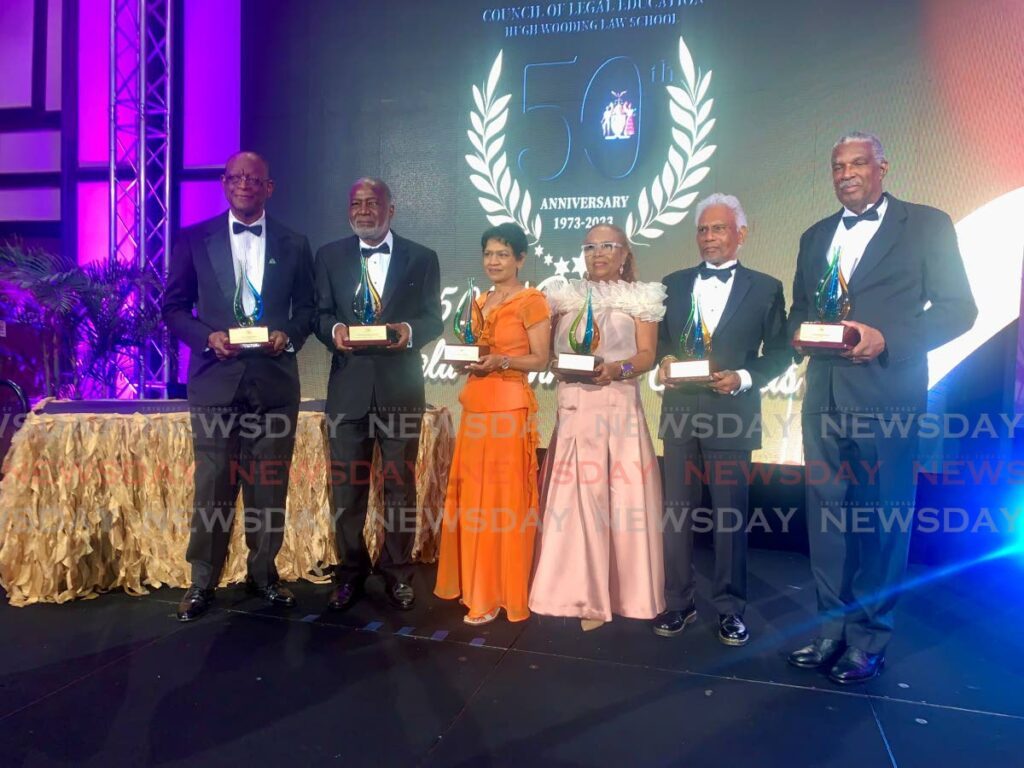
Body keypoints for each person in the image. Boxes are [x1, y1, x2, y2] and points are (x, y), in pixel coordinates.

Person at [787, 132, 977, 683]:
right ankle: (831, 630)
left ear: (882, 167)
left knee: (883, 519)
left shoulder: (927, 224)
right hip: (823, 396)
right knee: (826, 520)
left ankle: (870, 638)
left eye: (857, 163)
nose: (845, 173)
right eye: (837, 165)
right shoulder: (814, 234)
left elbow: (959, 309)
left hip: (886, 394)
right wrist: (799, 335)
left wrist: (886, 336)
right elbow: (802, 307)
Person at [163, 150, 315, 622]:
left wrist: (288, 334)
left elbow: (308, 310)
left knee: (269, 487)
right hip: (215, 382)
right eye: (235, 178)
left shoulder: (294, 242)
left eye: (254, 179)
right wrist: (205, 338)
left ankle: (265, 576)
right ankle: (201, 581)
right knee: (212, 488)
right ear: (225, 185)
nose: (244, 184)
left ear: (269, 188)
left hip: (272, 383)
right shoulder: (193, 238)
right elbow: (172, 308)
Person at [653, 193, 790, 646]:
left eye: (719, 229)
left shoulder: (767, 287)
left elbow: (782, 352)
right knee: (676, 515)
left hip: (732, 415)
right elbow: (657, 350)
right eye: (703, 229)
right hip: (679, 415)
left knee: (731, 518)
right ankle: (678, 602)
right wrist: (663, 369)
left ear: (741, 234)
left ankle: (731, 609)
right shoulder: (670, 284)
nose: (709, 237)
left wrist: (746, 377)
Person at [314, 177, 442, 612]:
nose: (364, 209)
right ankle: (350, 573)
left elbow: (433, 319)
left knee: (399, 490)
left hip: (399, 389)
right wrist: (334, 332)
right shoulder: (329, 256)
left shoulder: (422, 258)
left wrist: (409, 332)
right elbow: (320, 314)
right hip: (348, 391)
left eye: (373, 202)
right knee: (347, 491)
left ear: (392, 208)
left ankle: (397, 572)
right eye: (356, 203)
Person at [529, 224, 666, 629]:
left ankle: (625, 592)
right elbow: (548, 354)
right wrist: (556, 364)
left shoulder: (642, 296)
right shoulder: (561, 295)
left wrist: (616, 369)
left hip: (619, 407)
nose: (598, 253)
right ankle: (570, 591)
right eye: (590, 247)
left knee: (621, 499)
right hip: (576, 409)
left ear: (625, 252)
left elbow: (646, 356)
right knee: (575, 501)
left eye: (608, 246)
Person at [434, 223, 551, 624]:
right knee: (475, 501)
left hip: (508, 408)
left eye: (503, 254)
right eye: (488, 254)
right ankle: (478, 587)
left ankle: (501, 592)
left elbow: (541, 359)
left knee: (502, 503)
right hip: (476, 404)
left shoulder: (531, 300)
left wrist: (502, 360)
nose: (494, 261)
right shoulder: (480, 300)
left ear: (520, 259)